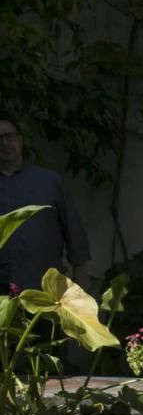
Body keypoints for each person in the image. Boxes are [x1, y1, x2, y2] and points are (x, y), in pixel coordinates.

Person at [0, 116, 91, 291]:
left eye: (9, 136)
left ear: (20, 140)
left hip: (42, 286)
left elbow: (73, 229)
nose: (4, 143)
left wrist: (81, 278)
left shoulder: (49, 181)